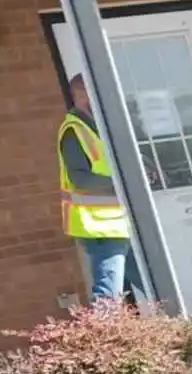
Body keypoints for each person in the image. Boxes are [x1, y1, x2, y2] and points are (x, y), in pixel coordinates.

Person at [57, 74, 137, 301]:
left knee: (152, 282)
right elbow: (80, 180)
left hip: (117, 223)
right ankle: (101, 335)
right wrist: (124, 182)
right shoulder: (74, 130)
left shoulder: (96, 127)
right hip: (100, 226)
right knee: (108, 296)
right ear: (83, 95)